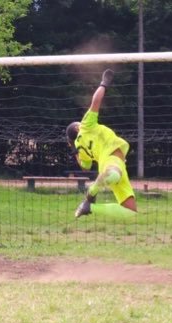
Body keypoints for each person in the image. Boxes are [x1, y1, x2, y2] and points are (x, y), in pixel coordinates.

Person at [66, 69, 137, 219]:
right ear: (77, 127)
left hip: (114, 163)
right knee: (113, 174)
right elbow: (95, 102)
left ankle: (89, 207)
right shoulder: (85, 125)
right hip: (111, 160)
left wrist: (73, 148)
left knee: (130, 212)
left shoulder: (80, 148)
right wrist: (104, 83)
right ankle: (92, 190)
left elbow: (85, 166)